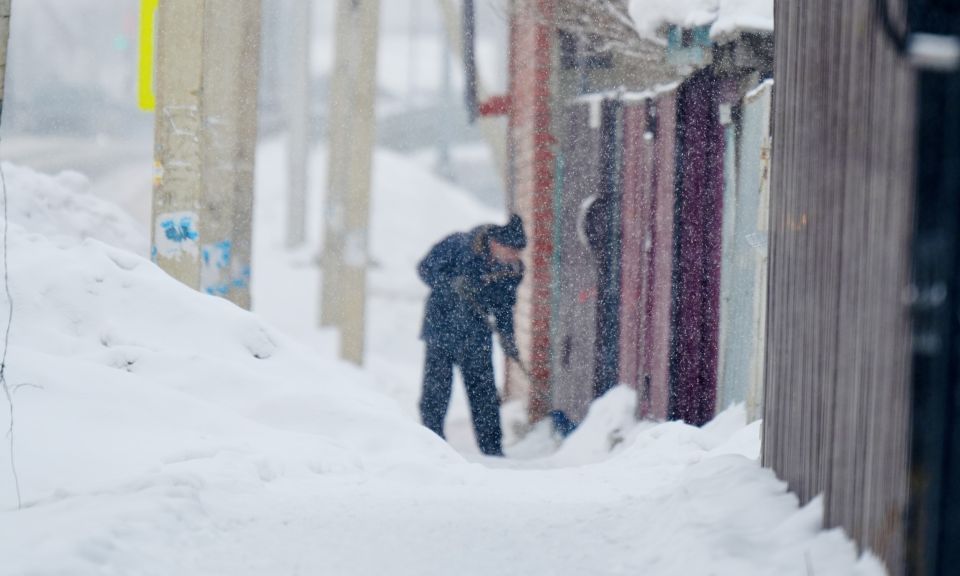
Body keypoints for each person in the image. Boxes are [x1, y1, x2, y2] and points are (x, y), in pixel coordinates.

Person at [417, 214, 526, 456]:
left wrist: (508, 338)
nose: (514, 258)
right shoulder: (458, 245)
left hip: (476, 336)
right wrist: (450, 284)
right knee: (436, 394)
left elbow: (504, 306)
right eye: (511, 251)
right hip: (441, 330)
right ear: (496, 243)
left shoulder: (510, 270)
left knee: (484, 395)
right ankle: (432, 447)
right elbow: (424, 269)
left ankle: (492, 450)